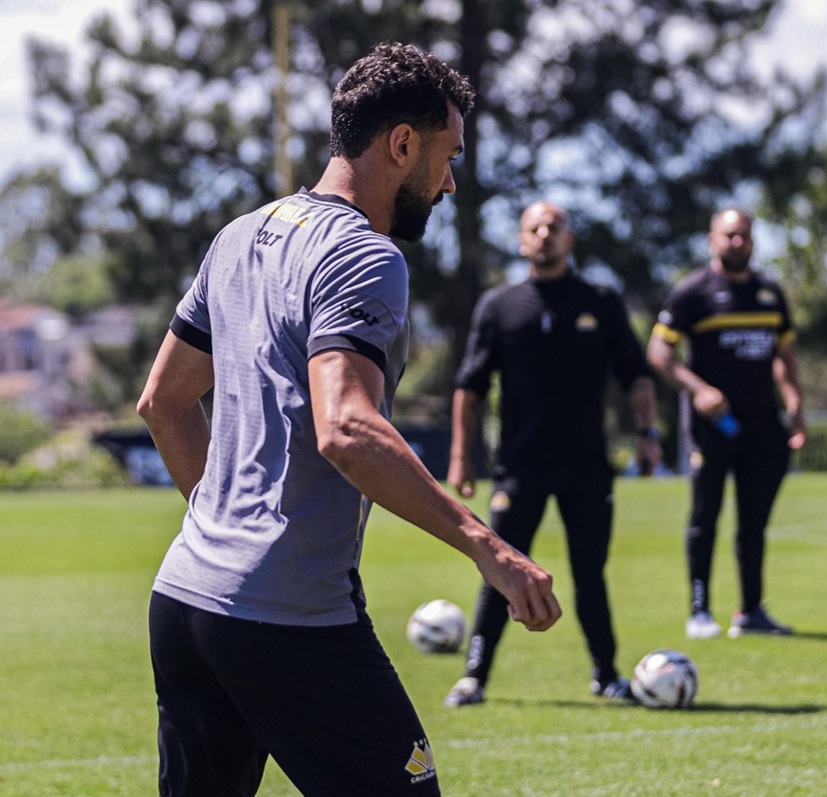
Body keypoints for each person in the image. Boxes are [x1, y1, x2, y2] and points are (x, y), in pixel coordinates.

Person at [136, 43, 561, 797]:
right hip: (287, 617)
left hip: (184, 599)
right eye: (447, 156)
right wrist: (487, 546)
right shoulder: (366, 256)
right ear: (402, 144)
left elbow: (162, 402)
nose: (450, 181)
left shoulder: (240, 235)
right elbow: (347, 430)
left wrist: (222, 534)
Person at [442, 200, 662, 707]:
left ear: (569, 239)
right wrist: (460, 457)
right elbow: (469, 388)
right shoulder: (498, 306)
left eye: (554, 227)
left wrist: (648, 433)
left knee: (590, 577)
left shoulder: (600, 301)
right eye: (534, 228)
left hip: (587, 468)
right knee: (500, 568)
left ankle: (606, 675)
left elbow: (637, 376)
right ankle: (474, 676)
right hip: (519, 468)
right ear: (522, 241)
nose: (544, 234)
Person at [647, 208, 807, 640]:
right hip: (711, 429)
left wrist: (795, 405)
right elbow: (659, 353)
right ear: (712, 239)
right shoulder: (692, 293)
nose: (738, 242)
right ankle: (699, 611)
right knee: (705, 517)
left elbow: (785, 356)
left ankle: (751, 611)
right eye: (730, 235)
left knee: (754, 523)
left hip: (763, 427)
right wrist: (698, 389)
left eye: (745, 235)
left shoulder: (770, 293)